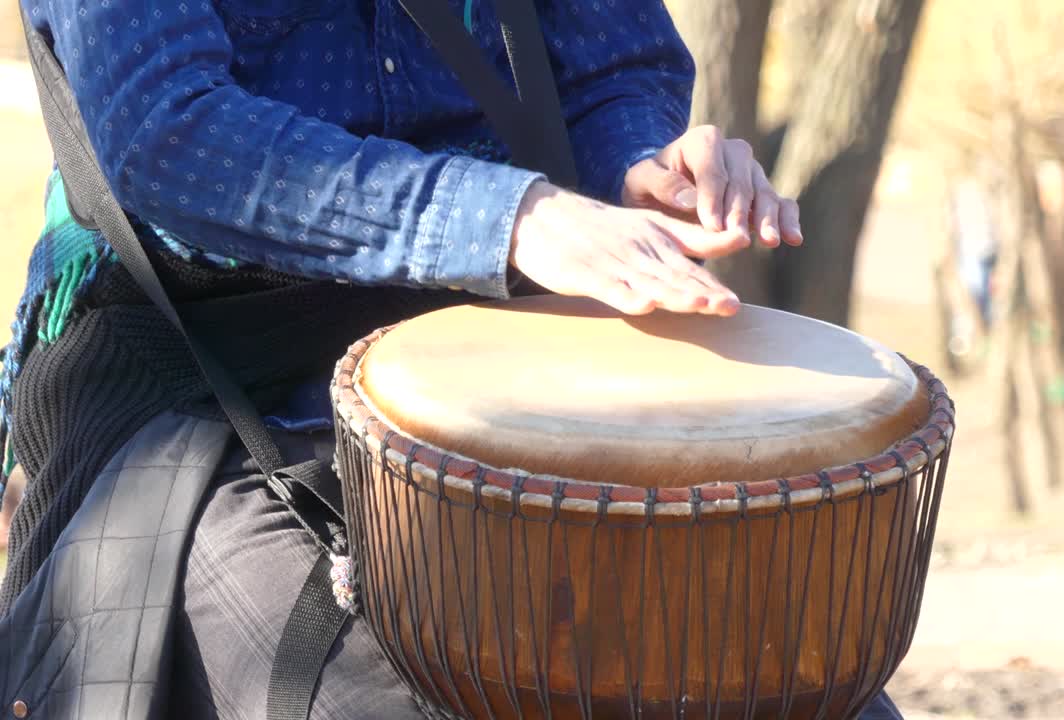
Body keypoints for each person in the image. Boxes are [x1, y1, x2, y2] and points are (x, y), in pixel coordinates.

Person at [0, 1, 904, 718]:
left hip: (499, 344)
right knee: (366, 696)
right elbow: (168, 133)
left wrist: (635, 166)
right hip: (196, 366)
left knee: (779, 684)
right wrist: (513, 219)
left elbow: (613, 68)